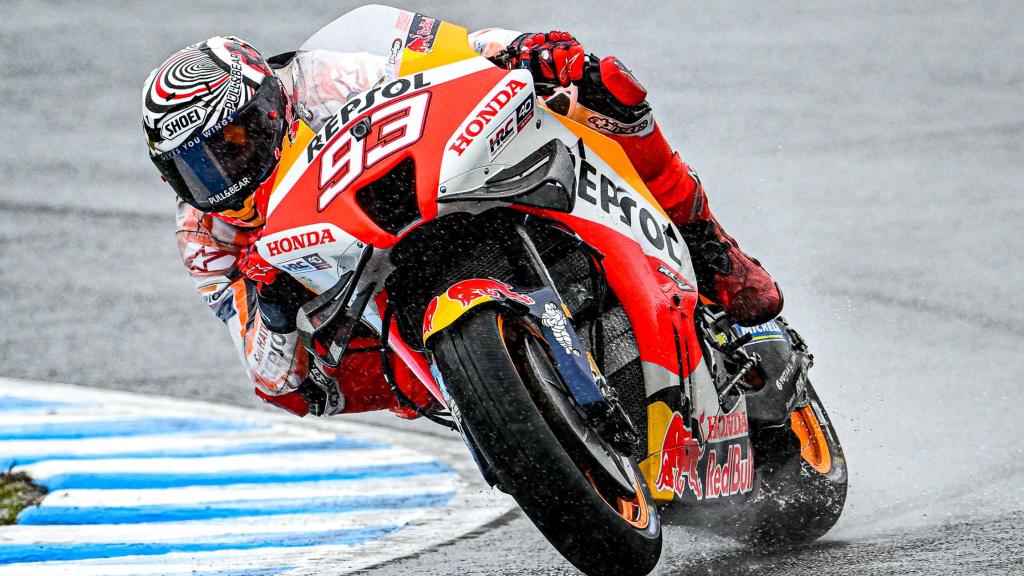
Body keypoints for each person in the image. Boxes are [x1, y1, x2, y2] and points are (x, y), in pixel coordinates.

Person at [142, 28, 783, 418]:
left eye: (232, 141)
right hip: (373, 292)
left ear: (270, 101)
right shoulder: (206, 233)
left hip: (437, 189)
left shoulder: (324, 79)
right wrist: (275, 307)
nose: (222, 175)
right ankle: (496, 412)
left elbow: (453, 55)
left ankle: (708, 245)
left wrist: (520, 50)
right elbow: (274, 383)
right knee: (326, 387)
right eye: (195, 166)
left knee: (596, 90)